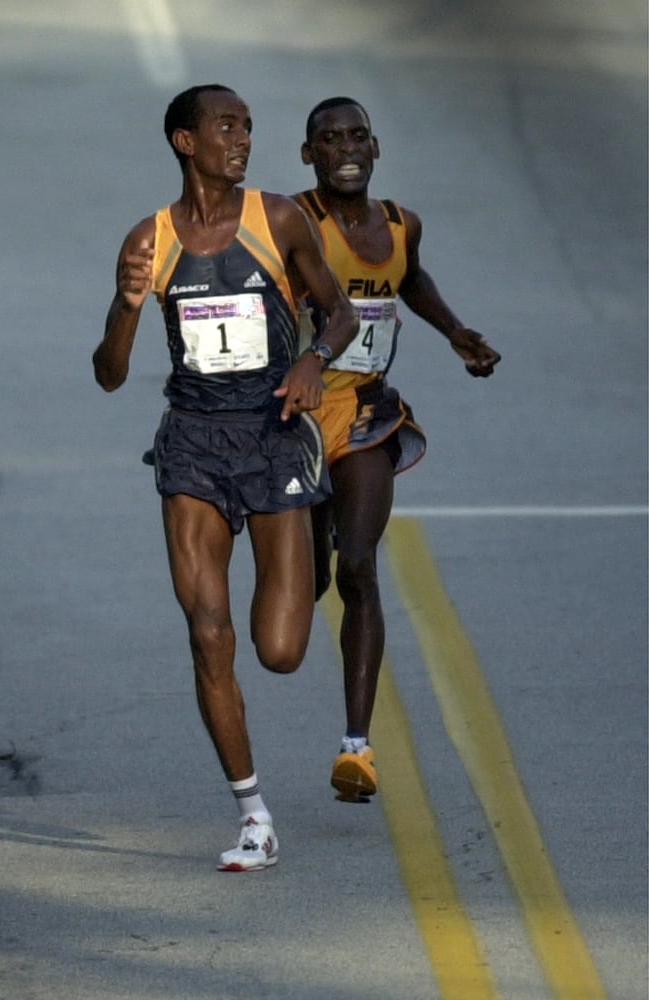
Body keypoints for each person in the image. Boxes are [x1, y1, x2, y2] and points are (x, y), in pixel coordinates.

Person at [92, 85, 358, 871]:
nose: (242, 139)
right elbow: (110, 374)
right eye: (226, 127)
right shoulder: (150, 239)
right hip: (194, 445)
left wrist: (313, 359)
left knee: (279, 651)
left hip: (274, 433)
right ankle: (254, 816)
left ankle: (317, 524)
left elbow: (337, 313)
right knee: (209, 633)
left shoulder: (276, 219)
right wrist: (127, 303)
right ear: (185, 141)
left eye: (246, 127)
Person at [294, 97, 501, 803]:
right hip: (293, 419)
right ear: (309, 155)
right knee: (302, 595)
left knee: (358, 566)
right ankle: (306, 548)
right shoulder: (293, 221)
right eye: (330, 139)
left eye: (357, 136)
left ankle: (357, 747)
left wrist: (455, 331)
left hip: (367, 415)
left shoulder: (401, 223)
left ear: (376, 148)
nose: (346, 148)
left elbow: (408, 279)